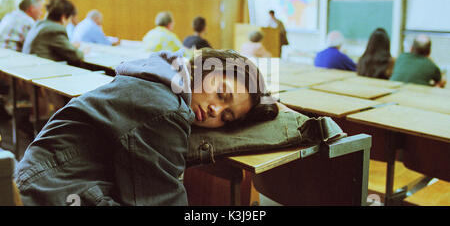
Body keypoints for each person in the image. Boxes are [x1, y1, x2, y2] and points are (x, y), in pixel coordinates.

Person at [15, 48, 279, 206]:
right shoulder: (166, 109)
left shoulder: (159, 77)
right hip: (53, 191)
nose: (215, 111)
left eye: (227, 117)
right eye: (221, 93)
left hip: (43, 178)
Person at [22, 0, 86, 65]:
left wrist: (71, 46)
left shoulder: (39, 24)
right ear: (63, 17)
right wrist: (83, 52)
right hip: (43, 71)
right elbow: (75, 56)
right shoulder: (55, 30)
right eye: (69, 19)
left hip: (32, 68)